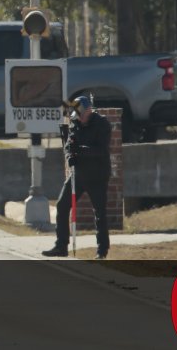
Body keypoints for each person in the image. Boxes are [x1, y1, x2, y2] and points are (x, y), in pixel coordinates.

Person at [43, 95, 112, 259]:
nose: (79, 119)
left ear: (89, 110)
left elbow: (101, 150)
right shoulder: (75, 124)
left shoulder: (102, 124)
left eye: (81, 114)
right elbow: (69, 145)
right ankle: (61, 246)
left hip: (97, 175)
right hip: (79, 175)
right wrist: (69, 156)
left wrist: (80, 151)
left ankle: (102, 251)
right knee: (62, 205)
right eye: (76, 116)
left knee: (100, 213)